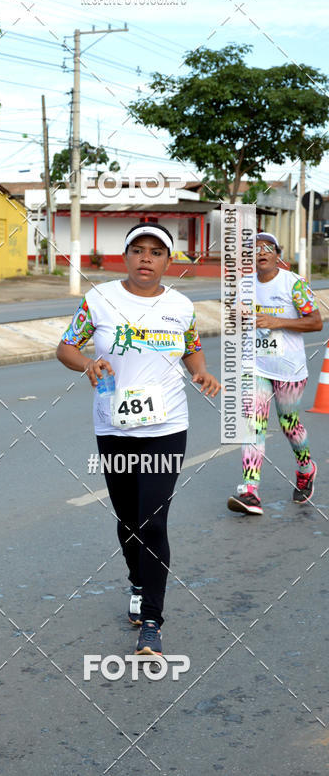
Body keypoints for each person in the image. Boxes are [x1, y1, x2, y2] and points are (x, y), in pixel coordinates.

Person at [57, 223, 220, 656]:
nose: (147, 258)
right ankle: (136, 578)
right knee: (129, 519)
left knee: (154, 520)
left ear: (168, 261)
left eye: (157, 252)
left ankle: (152, 618)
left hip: (166, 427)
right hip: (114, 425)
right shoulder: (100, 300)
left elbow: (191, 347)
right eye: (138, 250)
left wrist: (200, 370)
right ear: (126, 256)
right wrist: (88, 364)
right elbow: (66, 346)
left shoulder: (181, 306)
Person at [227, 232, 323, 516]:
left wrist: (276, 321)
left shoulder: (293, 284)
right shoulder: (244, 285)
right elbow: (235, 318)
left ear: (277, 253)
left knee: (289, 424)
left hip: (289, 369)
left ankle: (306, 468)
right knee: (253, 424)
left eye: (268, 248)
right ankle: (250, 491)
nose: (261, 252)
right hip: (255, 365)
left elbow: (316, 322)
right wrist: (239, 315)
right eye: (254, 249)